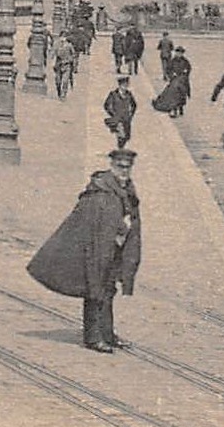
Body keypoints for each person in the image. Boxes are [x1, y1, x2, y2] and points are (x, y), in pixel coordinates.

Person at [27, 149, 142, 354]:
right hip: (97, 248)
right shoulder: (101, 189)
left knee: (108, 290)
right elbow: (91, 221)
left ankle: (107, 334)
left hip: (115, 248)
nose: (124, 171)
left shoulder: (126, 188)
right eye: (120, 166)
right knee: (95, 290)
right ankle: (93, 337)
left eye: (128, 167)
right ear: (112, 165)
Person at [103, 75, 135, 148]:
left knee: (127, 137)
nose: (125, 87)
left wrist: (131, 114)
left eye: (127, 85)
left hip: (126, 118)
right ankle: (120, 149)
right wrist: (112, 113)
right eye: (124, 85)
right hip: (117, 118)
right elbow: (106, 105)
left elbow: (134, 105)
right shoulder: (113, 94)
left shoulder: (129, 94)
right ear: (120, 85)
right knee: (121, 135)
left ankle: (120, 147)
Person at [166, 45, 192, 117]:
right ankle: (174, 110)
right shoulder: (172, 61)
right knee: (174, 96)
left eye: (180, 53)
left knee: (182, 95)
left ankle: (181, 108)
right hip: (174, 81)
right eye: (177, 52)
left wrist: (186, 73)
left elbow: (189, 68)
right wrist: (171, 75)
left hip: (183, 81)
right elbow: (168, 69)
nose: (179, 54)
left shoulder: (185, 61)